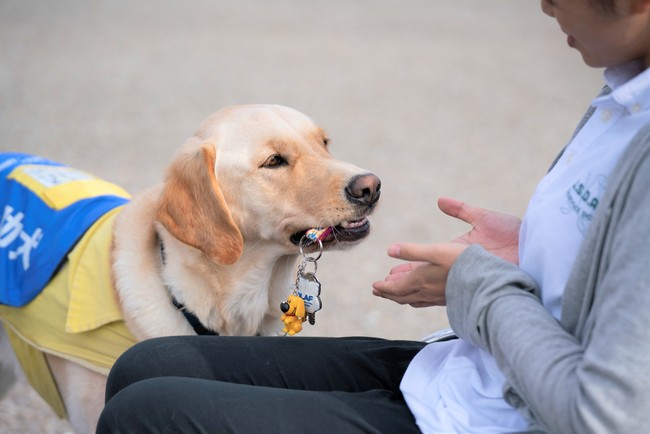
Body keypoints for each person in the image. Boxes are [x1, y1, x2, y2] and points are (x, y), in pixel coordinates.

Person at [96, 1, 650, 432]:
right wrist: (535, 248)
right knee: (145, 366)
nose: (544, 9)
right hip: (473, 370)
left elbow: (613, 415)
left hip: (494, 416)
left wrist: (476, 284)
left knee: (140, 413)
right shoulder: (622, 95)